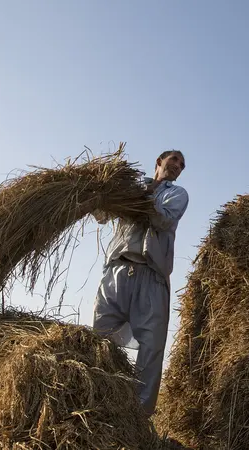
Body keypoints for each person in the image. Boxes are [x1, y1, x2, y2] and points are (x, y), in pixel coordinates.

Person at [92, 149, 188, 416]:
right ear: (159, 162)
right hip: (118, 271)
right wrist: (97, 191)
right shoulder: (130, 187)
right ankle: (98, 405)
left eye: (182, 165)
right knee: (100, 336)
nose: (178, 166)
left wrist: (139, 198)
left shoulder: (176, 194)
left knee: (151, 346)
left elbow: (163, 219)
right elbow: (101, 215)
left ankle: (138, 419)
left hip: (152, 275)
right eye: (174, 161)